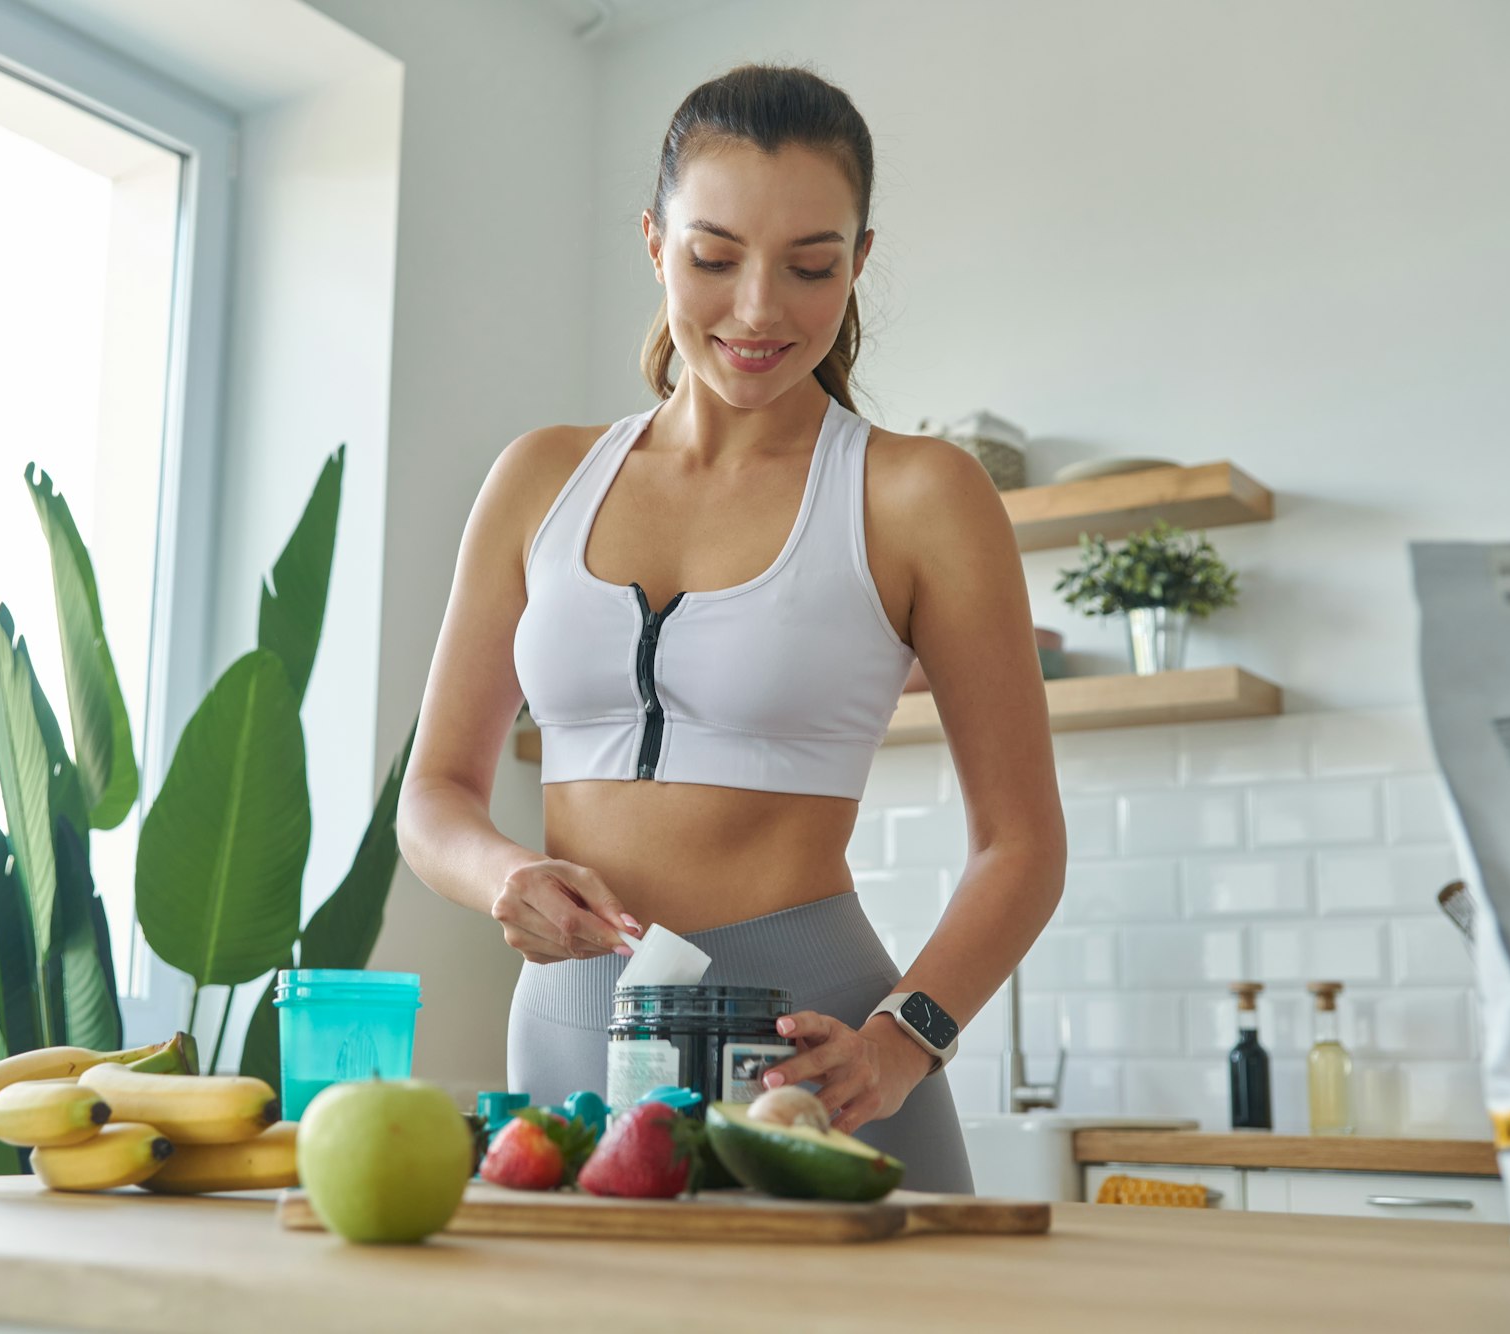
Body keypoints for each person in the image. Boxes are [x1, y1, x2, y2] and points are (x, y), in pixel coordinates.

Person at [395, 63, 1065, 1192]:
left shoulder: (917, 495)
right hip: (567, 1039)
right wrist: (505, 875)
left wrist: (903, 1040)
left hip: (819, 1054)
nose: (758, 309)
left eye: (809, 265)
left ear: (856, 262)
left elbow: (1022, 845)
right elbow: (434, 796)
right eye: (713, 258)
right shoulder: (537, 479)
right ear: (654, 244)